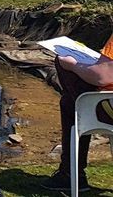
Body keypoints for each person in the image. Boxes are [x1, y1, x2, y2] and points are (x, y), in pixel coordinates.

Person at [43, 39, 113, 193]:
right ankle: (69, 173)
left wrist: (72, 65)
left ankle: (70, 174)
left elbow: (102, 77)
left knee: (70, 104)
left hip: (108, 110)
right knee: (70, 102)